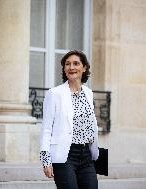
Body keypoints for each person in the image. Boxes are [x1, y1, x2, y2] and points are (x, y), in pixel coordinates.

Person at [39, 50, 99, 189]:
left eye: (76, 63)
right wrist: (46, 161)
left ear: (84, 68)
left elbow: (91, 127)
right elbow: (46, 129)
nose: (71, 67)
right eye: (67, 64)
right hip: (65, 155)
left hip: (87, 155)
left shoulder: (89, 93)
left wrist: (98, 158)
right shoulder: (55, 94)